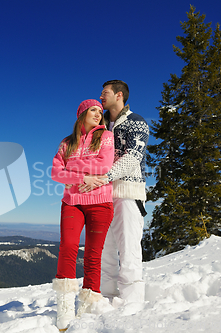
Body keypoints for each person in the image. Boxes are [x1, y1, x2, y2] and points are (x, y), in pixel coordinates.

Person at [81, 80, 149, 306]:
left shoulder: (136, 122)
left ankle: (132, 302)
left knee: (128, 246)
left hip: (127, 193)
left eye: (105, 93)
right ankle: (107, 295)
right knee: (104, 247)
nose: (101, 96)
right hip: (101, 195)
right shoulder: (100, 127)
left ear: (119, 95)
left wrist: (105, 176)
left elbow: (133, 157)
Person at [51, 99, 115, 331]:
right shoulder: (67, 143)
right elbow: (56, 172)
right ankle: (65, 307)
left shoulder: (105, 137)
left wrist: (73, 167)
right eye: (93, 110)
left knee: (92, 254)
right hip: (72, 202)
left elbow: (105, 165)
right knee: (68, 246)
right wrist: (82, 178)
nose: (98, 114)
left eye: (100, 111)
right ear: (81, 114)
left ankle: (87, 304)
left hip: (100, 202)